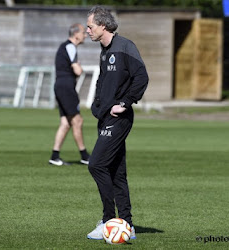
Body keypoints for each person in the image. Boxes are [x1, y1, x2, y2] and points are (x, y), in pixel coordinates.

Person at [85, 6, 149, 240]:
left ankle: (108, 220)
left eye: (90, 26)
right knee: (116, 172)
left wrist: (126, 102)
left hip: (119, 119)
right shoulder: (104, 51)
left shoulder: (125, 47)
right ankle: (127, 224)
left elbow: (141, 76)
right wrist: (97, 105)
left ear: (103, 26)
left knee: (96, 165)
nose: (87, 30)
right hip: (105, 118)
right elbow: (104, 80)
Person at [49, 23, 90, 166]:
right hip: (66, 87)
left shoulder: (64, 47)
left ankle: (54, 156)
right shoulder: (70, 47)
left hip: (60, 86)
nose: (86, 35)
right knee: (77, 121)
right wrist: (79, 66)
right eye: (84, 32)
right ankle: (85, 156)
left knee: (66, 123)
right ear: (76, 34)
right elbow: (78, 71)